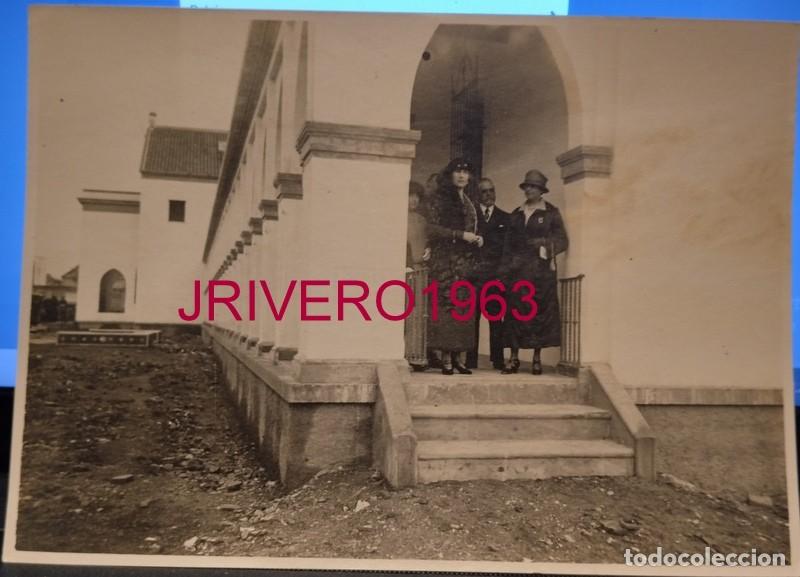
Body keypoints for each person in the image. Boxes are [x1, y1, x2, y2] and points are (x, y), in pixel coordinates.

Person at [500, 169, 568, 375]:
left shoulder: (551, 213)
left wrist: (544, 246)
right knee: (515, 314)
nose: (529, 189)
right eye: (527, 186)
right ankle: (513, 358)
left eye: (533, 187)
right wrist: (504, 271)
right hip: (517, 272)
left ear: (541, 190)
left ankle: (536, 359)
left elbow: (562, 240)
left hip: (540, 274)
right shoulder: (516, 214)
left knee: (538, 313)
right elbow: (507, 246)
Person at [425, 158, 483, 375]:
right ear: (450, 175)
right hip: (445, 261)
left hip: (465, 262)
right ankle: (446, 358)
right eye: (458, 172)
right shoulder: (440, 199)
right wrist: (460, 235)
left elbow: (471, 229)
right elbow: (430, 228)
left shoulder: (468, 201)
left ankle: (460, 358)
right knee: (447, 306)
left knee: (463, 308)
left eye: (465, 172)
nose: (462, 176)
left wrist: (477, 239)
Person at [475, 177, 510, 370]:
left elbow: (508, 250)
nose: (489, 195)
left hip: (495, 276)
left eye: (491, 190)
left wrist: (502, 274)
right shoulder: (471, 218)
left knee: (496, 317)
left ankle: (498, 359)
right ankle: (471, 360)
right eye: (484, 191)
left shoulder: (505, 218)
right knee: (472, 317)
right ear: (478, 195)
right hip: (476, 275)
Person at [405, 181, 431, 371]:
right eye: (409, 195)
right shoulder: (396, 217)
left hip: (421, 271)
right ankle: (404, 354)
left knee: (419, 314)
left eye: (416, 196)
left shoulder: (422, 220)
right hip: (405, 271)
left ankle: (416, 355)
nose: (413, 200)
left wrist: (429, 249)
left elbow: (427, 240)